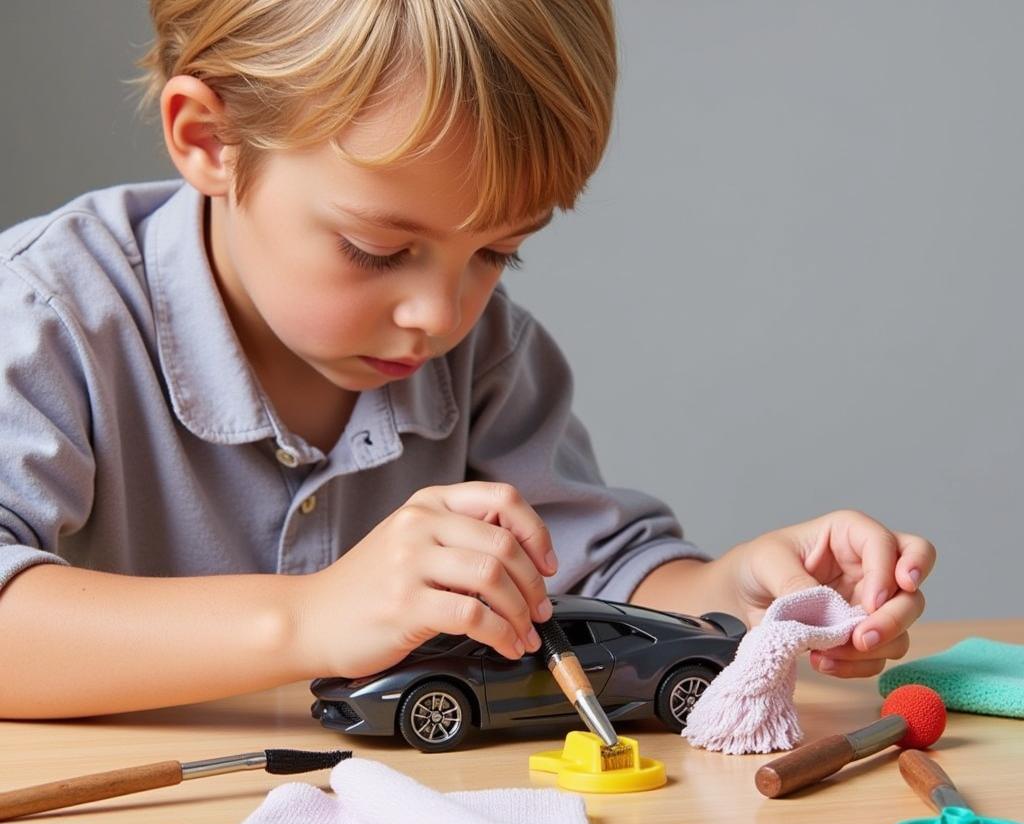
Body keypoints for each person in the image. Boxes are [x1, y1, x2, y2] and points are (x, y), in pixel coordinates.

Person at [0, 0, 933, 719]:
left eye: (496, 252)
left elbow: (600, 577)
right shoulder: (50, 319)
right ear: (209, 139)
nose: (439, 314)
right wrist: (311, 618)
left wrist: (742, 592)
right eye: (374, 249)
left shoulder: (483, 355)